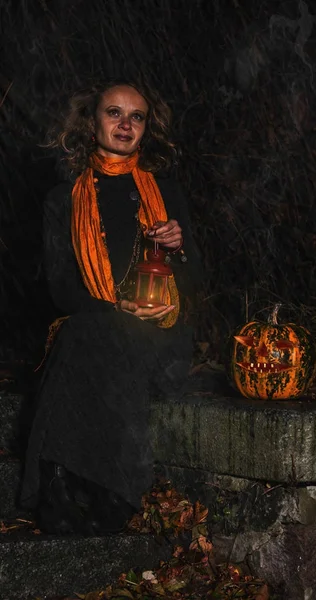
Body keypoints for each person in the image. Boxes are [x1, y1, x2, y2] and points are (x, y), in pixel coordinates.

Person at [20, 80, 201, 535]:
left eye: (136, 116)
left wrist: (180, 250)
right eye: (114, 113)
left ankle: (59, 485)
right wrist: (113, 307)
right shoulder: (63, 199)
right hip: (99, 325)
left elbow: (198, 279)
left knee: (87, 337)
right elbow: (60, 288)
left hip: (161, 332)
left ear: (146, 128)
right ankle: (96, 490)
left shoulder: (164, 191)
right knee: (88, 332)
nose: (125, 124)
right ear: (92, 122)